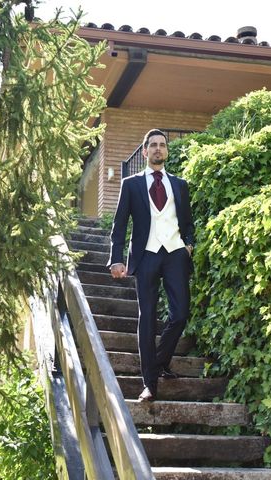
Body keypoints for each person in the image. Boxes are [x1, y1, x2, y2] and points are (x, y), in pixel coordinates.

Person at [107, 129, 195, 402]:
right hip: (145, 255)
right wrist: (117, 258)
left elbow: (188, 222)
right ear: (145, 152)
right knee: (147, 318)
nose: (158, 149)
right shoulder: (131, 184)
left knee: (180, 314)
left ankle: (158, 361)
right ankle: (150, 383)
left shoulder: (179, 185)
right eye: (153, 145)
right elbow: (120, 224)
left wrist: (189, 244)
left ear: (166, 151)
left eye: (162, 145)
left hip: (175, 254)